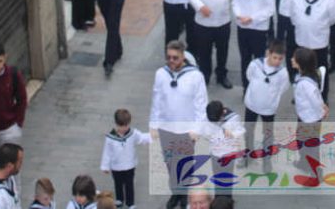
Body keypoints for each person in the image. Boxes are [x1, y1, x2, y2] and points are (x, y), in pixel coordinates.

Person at [150, 41, 208, 209]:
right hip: (166, 129)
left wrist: (197, 129)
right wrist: (154, 125)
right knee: (170, 164)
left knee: (185, 165)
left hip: (186, 131)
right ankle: (176, 192)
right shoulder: (161, 74)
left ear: (183, 56)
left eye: (175, 57)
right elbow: (157, 100)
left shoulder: (195, 76)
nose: (171, 61)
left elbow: (201, 104)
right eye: (168, 57)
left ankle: (184, 195)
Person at [282, 0, 335, 101]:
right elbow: (292, 13)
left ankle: (322, 98)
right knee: (301, 71)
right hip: (301, 41)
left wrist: (318, 26)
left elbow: (334, 18)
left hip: (319, 44)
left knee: (320, 73)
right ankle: (300, 95)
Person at [188, 0, 236, 88]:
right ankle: (205, 75)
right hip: (204, 23)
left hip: (223, 21)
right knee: (204, 52)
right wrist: (201, 7)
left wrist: (224, 6)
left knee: (223, 51)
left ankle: (221, 75)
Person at [242, 40, 290, 163]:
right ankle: (248, 156)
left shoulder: (283, 73)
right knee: (249, 131)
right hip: (252, 105)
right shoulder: (255, 65)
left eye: (280, 59)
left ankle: (267, 160)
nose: (277, 61)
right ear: (268, 53)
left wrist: (272, 97)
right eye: (275, 57)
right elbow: (249, 76)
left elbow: (283, 87)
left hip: (269, 109)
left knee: (268, 134)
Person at [233, 0, 276, 88]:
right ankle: (246, 88)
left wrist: (252, 18)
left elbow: (270, 9)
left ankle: (259, 87)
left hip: (258, 29)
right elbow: (235, 2)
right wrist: (239, 15)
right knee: (245, 59)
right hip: (243, 27)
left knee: (259, 60)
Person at [100, 109, 151, 209]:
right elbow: (107, 152)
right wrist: (105, 166)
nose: (123, 128)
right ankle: (119, 199)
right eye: (121, 126)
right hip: (116, 167)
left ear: (129, 123)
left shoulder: (133, 134)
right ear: (116, 124)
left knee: (129, 185)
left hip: (129, 166)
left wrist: (152, 136)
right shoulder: (110, 137)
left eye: (126, 125)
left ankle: (130, 203)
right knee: (118, 183)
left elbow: (142, 138)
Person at [291, 47, 328, 167]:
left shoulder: (305, 84)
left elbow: (315, 100)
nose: (291, 59)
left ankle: (315, 171)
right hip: (304, 116)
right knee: (301, 141)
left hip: (310, 120)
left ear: (301, 63)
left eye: (294, 58)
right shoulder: (307, 76)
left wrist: (322, 110)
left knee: (311, 146)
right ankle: (304, 162)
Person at [203, 101, 245, 198]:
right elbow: (205, 131)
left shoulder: (233, 118)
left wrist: (232, 134)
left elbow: (241, 130)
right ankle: (218, 196)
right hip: (215, 153)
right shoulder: (208, 117)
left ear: (222, 113)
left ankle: (227, 198)